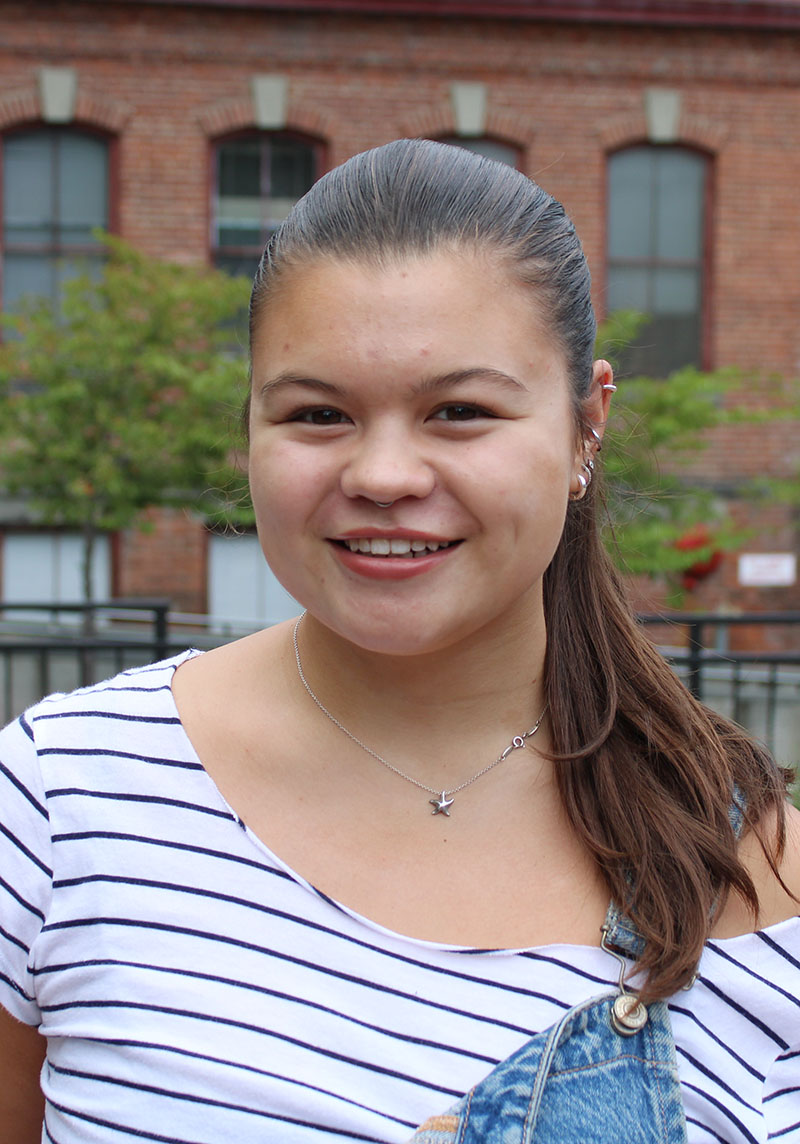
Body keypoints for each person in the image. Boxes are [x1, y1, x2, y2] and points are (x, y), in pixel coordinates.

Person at [1, 138, 798, 1144]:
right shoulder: (67, 794)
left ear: (586, 425)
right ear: (246, 426)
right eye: (317, 412)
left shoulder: (755, 876)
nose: (382, 474)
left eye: (458, 412)